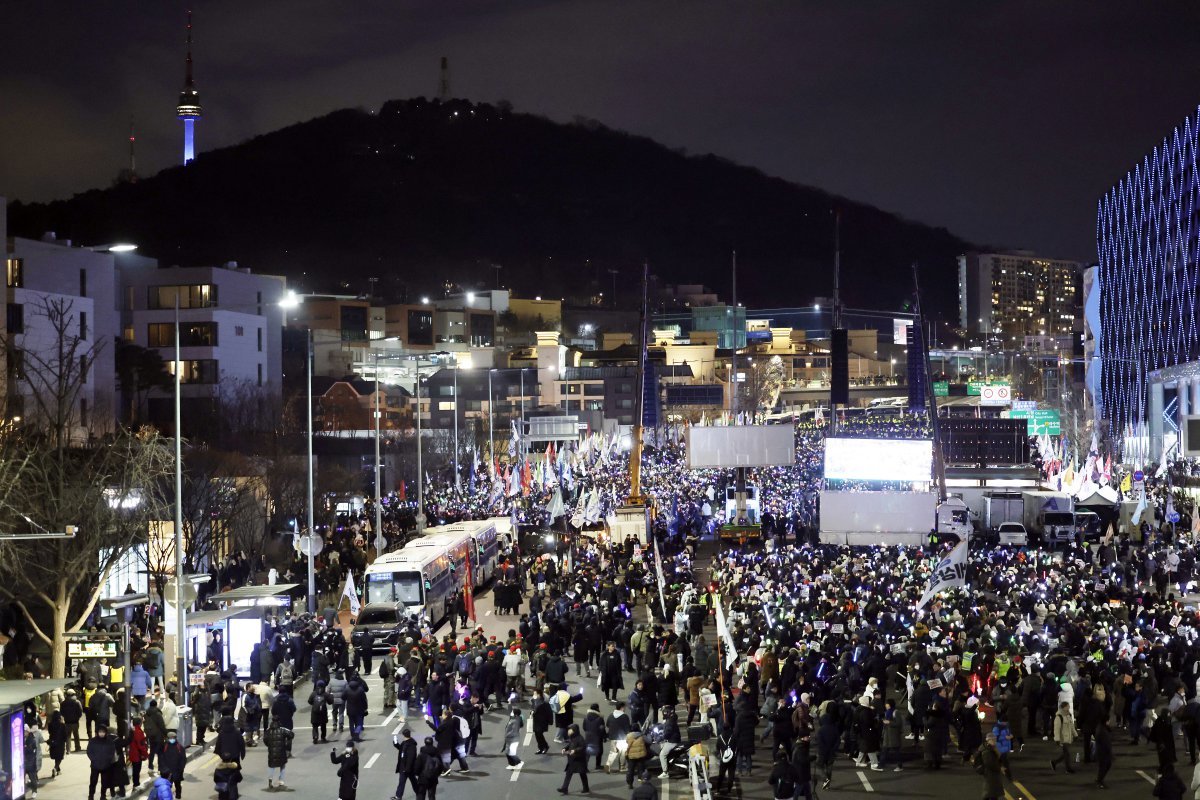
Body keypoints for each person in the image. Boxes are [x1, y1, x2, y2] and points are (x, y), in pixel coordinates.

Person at [86, 724, 117, 800]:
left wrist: (107, 760)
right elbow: (89, 751)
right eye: (100, 732)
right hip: (95, 765)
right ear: (97, 732)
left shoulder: (109, 742)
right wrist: (94, 759)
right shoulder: (92, 741)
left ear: (106, 732)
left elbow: (112, 752)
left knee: (104, 782)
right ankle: (91, 796)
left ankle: (103, 796)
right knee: (93, 782)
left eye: (103, 732)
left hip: (106, 766)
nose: (102, 733)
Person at [559, 723, 590, 795]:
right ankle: (564, 788)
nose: (568, 731)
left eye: (570, 730)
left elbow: (582, 747)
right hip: (573, 759)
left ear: (574, 730)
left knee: (582, 774)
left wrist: (575, 750)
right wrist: (564, 748)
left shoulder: (580, 738)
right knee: (569, 773)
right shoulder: (573, 737)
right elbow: (570, 745)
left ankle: (586, 788)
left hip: (579, 760)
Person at [264, 716, 295, 790]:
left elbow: (265, 739)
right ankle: (281, 781)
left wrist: (269, 745)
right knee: (282, 766)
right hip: (281, 751)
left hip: (272, 752)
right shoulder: (282, 729)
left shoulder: (268, 731)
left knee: (271, 766)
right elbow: (291, 734)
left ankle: (270, 780)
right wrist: (287, 742)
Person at [973, 733, 1004, 800]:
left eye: (995, 740)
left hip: (991, 772)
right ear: (988, 740)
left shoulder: (990, 748)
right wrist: (999, 768)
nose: (994, 741)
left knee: (991, 790)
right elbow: (990, 763)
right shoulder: (987, 751)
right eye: (992, 740)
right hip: (990, 772)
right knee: (992, 791)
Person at [1049, 701, 1077, 774]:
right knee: (1067, 754)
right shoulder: (1059, 717)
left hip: (1068, 738)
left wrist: (1075, 734)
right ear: (1063, 707)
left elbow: (1072, 726)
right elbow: (1056, 729)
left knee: (1065, 754)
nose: (1068, 708)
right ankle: (1068, 769)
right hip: (1063, 739)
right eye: (1067, 707)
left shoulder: (1068, 716)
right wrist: (1057, 739)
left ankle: (1054, 762)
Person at [158, 729, 186, 798]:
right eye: (170, 738)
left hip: (177, 770)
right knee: (166, 786)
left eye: (173, 738)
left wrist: (181, 769)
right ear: (167, 738)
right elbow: (160, 759)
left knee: (177, 784)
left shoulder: (180, 747)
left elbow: (183, 759)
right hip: (166, 771)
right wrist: (163, 769)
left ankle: (178, 796)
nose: (172, 739)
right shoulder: (163, 747)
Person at [393, 726, 418, 799]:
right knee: (409, 781)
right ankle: (398, 796)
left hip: (406, 768)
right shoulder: (405, 742)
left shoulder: (411, 745)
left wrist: (407, 769)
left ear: (404, 735)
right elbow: (401, 749)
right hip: (404, 767)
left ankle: (398, 796)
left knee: (408, 782)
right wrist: (396, 743)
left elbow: (411, 758)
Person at [128, 716, 149, 787]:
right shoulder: (138, 732)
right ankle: (136, 784)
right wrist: (145, 754)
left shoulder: (132, 730)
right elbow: (141, 745)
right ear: (140, 723)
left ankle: (136, 783)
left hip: (133, 753)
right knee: (137, 770)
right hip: (137, 754)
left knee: (135, 769)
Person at [47, 710, 68, 777]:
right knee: (59, 757)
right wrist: (65, 742)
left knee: (56, 757)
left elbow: (50, 732)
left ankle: (58, 770)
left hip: (53, 742)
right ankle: (55, 768)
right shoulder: (62, 725)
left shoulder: (50, 724)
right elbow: (65, 735)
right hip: (60, 743)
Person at [24, 724, 42, 799]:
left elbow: (32, 751)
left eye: (25, 731)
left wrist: (24, 748)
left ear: (28, 731)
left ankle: (34, 791)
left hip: (31, 762)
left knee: (33, 778)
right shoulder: (20, 738)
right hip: (23, 763)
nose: (24, 733)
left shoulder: (32, 739)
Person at [1095, 718, 1113, 789]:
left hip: (1101, 752)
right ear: (1106, 721)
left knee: (1104, 766)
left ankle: (1099, 779)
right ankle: (1100, 781)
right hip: (1103, 753)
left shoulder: (1101, 728)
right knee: (1105, 766)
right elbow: (1106, 743)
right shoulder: (1102, 731)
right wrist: (1110, 753)